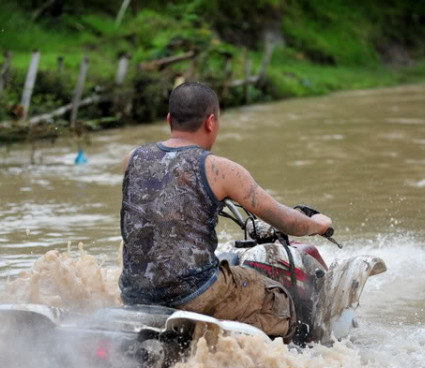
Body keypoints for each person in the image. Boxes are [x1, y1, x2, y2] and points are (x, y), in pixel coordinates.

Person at [119, 82, 332, 341]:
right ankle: (295, 358)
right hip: (195, 293)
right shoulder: (220, 170)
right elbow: (289, 222)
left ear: (169, 120)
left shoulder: (132, 159)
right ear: (211, 122)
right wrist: (319, 223)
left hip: (134, 293)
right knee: (277, 298)